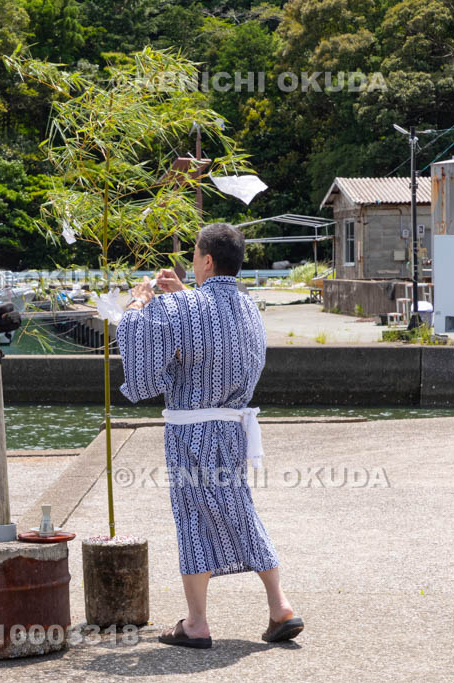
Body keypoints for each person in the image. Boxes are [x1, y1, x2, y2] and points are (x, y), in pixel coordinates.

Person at [116, 223, 303, 649]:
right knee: (237, 508)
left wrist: (137, 303)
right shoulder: (250, 308)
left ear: (206, 260)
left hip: (192, 430)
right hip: (234, 427)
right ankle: (272, 607)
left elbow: (142, 359)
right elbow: (210, 326)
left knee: (195, 519)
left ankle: (205, 621)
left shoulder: (179, 308)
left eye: (194, 257)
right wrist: (183, 293)